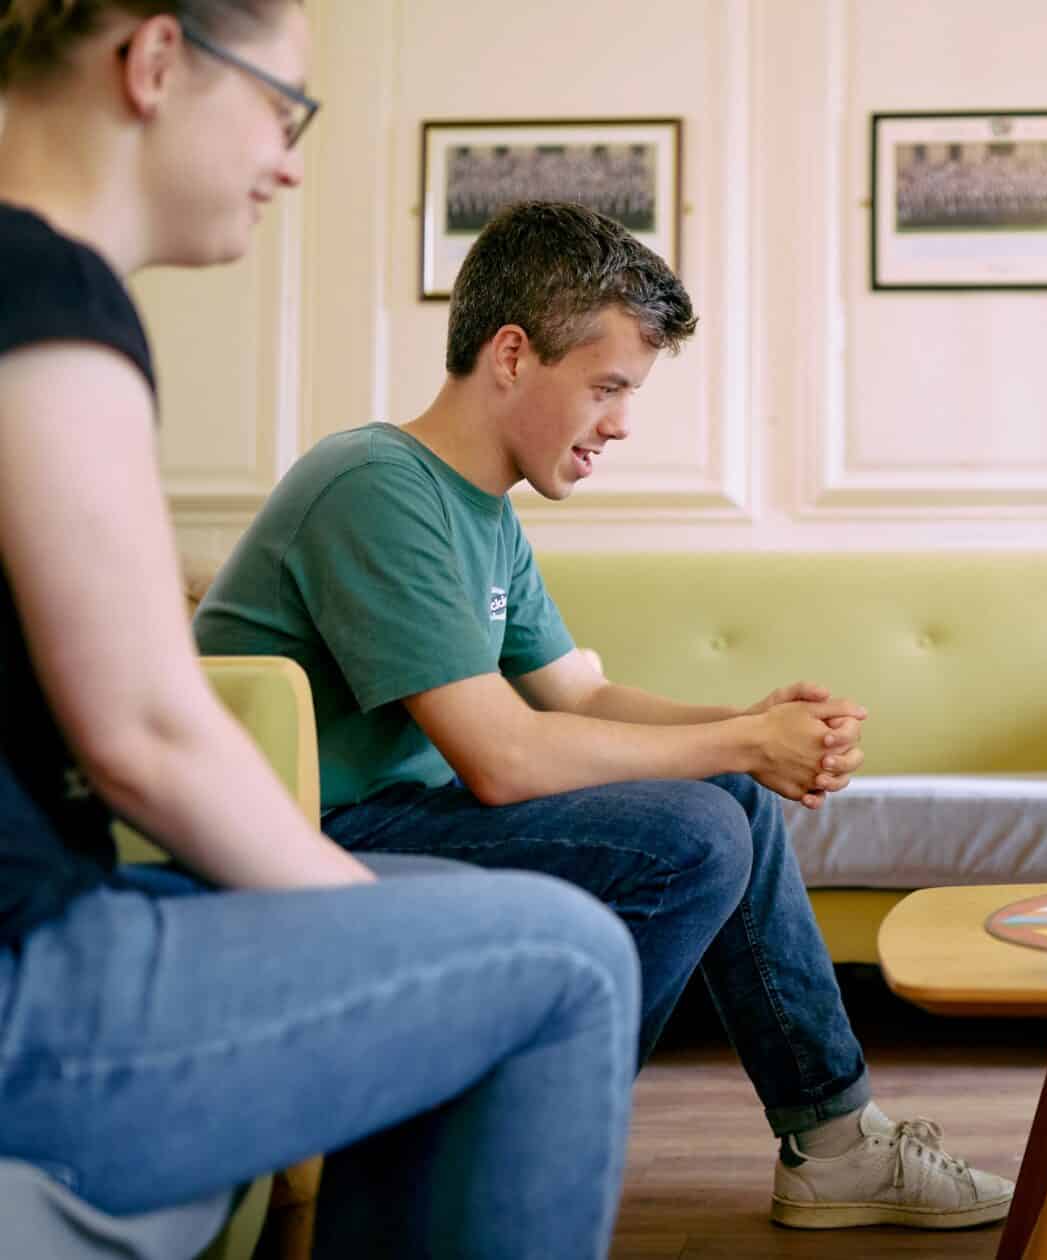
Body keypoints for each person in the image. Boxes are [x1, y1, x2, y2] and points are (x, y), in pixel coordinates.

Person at [193, 197, 1015, 1231]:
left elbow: (575, 697)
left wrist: (750, 724)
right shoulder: (374, 485)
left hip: (386, 821)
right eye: (609, 386)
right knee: (693, 831)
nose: (622, 421)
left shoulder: (479, 510)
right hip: (293, 843)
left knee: (726, 795)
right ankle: (506, 1130)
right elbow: (497, 757)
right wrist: (738, 745)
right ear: (510, 354)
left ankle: (835, 1142)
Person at [0, 4, 641, 1258]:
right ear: (157, 59)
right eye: (283, 108)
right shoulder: (45, 291)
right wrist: (374, 937)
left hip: (59, 919)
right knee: (564, 957)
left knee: (460, 915)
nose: (290, 159)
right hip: (35, 979)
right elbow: (147, 735)